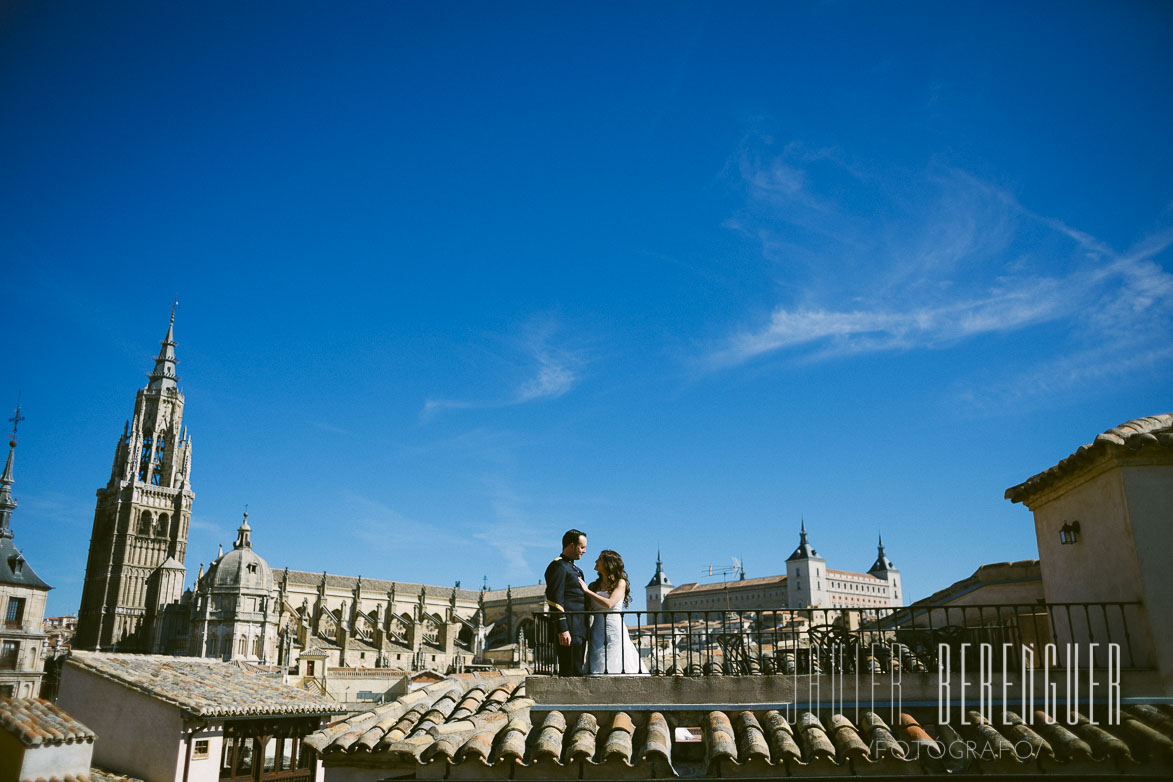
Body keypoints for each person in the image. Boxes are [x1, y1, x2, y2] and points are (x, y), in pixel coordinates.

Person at [578, 549, 649, 676]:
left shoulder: (619, 583)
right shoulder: (594, 585)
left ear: (608, 563)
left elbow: (609, 603)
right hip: (597, 629)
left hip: (614, 628)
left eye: (599, 559)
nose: (595, 561)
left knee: (615, 659)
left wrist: (587, 592)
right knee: (597, 660)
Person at [544, 529, 588, 676]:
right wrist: (563, 628)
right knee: (570, 671)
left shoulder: (576, 569)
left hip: (579, 628)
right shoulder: (558, 566)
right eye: (582, 547)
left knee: (577, 669)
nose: (584, 551)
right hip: (569, 629)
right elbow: (555, 598)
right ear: (571, 545)